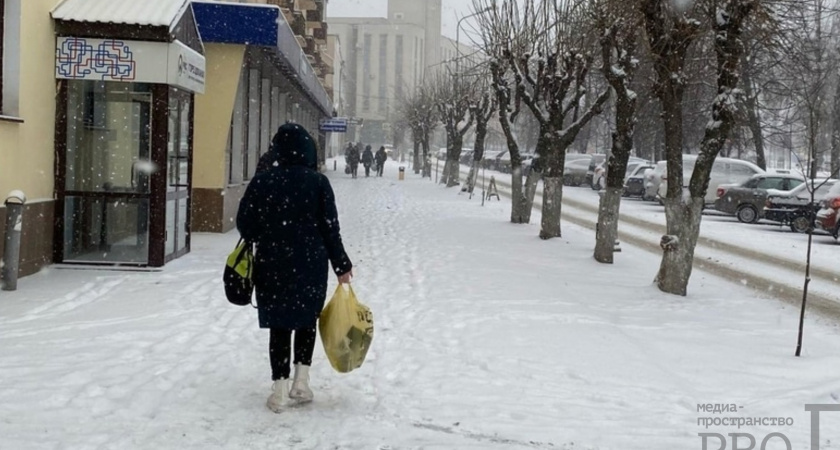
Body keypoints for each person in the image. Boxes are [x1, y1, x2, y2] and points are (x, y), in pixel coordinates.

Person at [237, 123, 354, 413]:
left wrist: (269, 231)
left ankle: (278, 390)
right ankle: (301, 382)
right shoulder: (318, 183)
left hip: (272, 264)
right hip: (310, 264)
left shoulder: (263, 181)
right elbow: (331, 229)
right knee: (305, 321)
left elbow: (245, 226)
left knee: (278, 325)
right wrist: (341, 265)